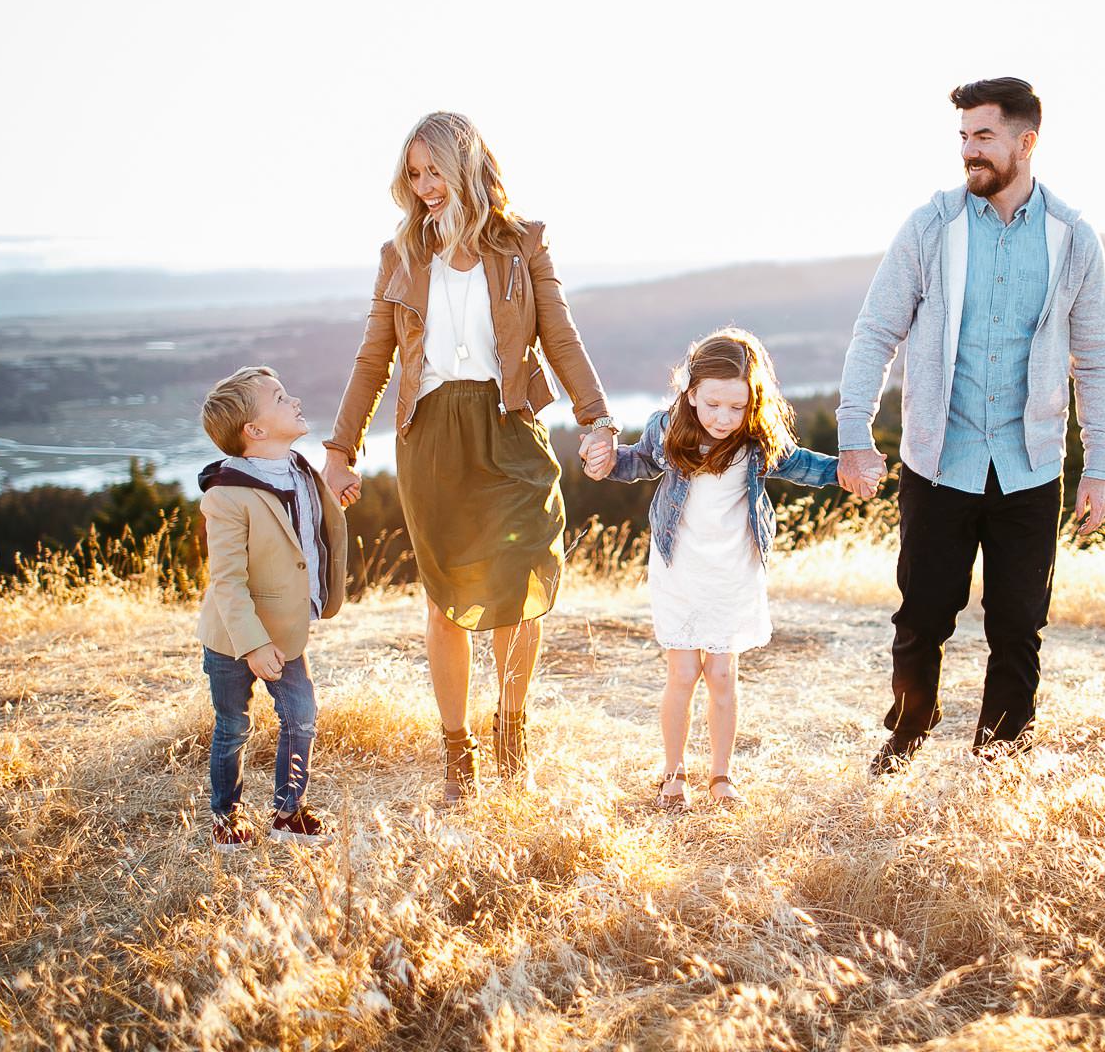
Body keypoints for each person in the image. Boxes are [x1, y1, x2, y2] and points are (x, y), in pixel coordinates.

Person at [323, 111, 617, 803]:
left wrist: (597, 418)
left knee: (518, 585)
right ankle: (458, 753)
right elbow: (373, 359)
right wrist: (340, 448)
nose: (424, 186)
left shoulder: (522, 244)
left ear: (466, 166)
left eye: (434, 171)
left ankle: (511, 730)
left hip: (508, 426)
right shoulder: (399, 256)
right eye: (414, 174)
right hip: (430, 438)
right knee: (448, 600)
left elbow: (561, 338)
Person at [836, 77, 1105, 775]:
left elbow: (1099, 357)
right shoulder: (931, 227)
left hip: (1030, 465)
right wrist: (853, 432)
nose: (969, 151)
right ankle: (907, 730)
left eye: (983, 136)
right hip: (940, 461)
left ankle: (1000, 755)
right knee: (923, 618)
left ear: (1027, 143)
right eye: (963, 137)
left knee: (1018, 625)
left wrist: (1101, 464)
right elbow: (876, 332)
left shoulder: (1073, 238)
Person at [583, 329, 842, 810]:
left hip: (733, 570)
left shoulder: (756, 440)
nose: (724, 418)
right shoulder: (668, 428)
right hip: (679, 566)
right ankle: (673, 774)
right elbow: (634, 463)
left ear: (753, 402)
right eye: (712, 405)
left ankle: (721, 776)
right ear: (691, 392)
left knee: (722, 674)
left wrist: (849, 467)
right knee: (683, 674)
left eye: (736, 407)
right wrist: (604, 462)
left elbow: (803, 465)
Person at [196, 366, 348, 850]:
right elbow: (227, 582)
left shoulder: (300, 470)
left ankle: (287, 812)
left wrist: (336, 502)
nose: (295, 400)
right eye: (281, 399)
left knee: (301, 715)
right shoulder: (226, 496)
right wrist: (253, 643)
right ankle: (227, 816)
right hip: (233, 636)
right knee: (234, 725)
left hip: (285, 629)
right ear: (254, 431)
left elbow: (303, 539)